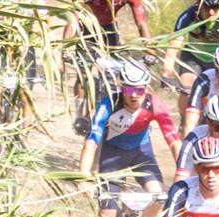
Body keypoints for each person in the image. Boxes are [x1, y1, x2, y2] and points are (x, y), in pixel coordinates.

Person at [80, 60, 182, 217]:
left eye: (140, 89)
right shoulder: (109, 104)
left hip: (140, 154)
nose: (134, 95)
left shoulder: (154, 103)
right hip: (112, 158)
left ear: (147, 88)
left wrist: (183, 172)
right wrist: (83, 174)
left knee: (158, 196)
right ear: (121, 87)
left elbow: (174, 140)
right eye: (129, 89)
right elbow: (92, 141)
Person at [65, 0, 153, 133]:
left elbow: (141, 23)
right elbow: (73, 19)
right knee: (84, 74)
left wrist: (151, 51)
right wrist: (66, 47)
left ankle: (101, 114)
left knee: (111, 76)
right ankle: (80, 115)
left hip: (110, 31)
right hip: (87, 29)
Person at [165, 0, 219, 119]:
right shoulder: (189, 15)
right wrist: (167, 72)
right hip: (193, 56)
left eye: (215, 7)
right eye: (207, 7)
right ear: (200, 4)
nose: (211, 12)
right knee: (187, 89)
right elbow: (174, 45)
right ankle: (184, 120)